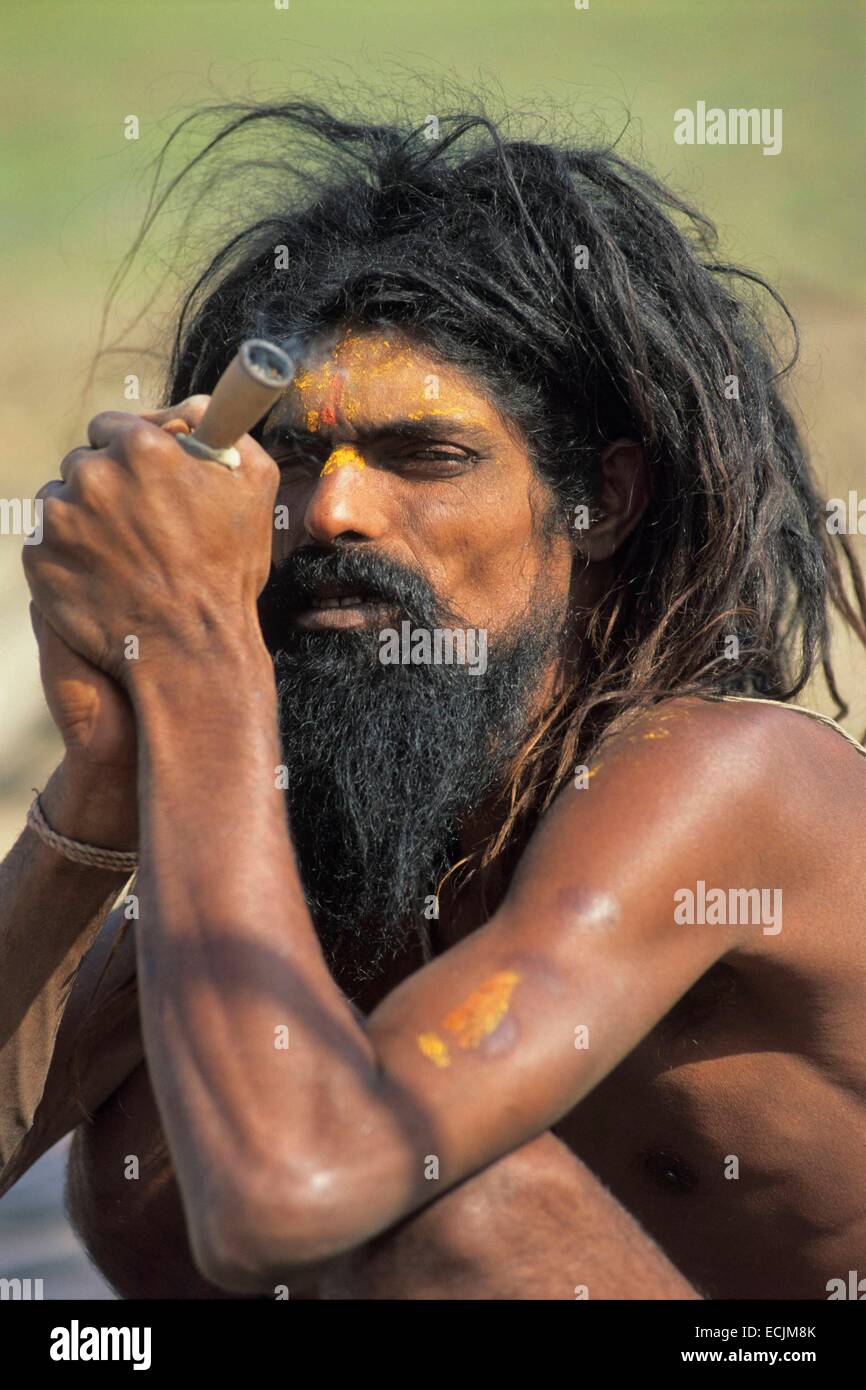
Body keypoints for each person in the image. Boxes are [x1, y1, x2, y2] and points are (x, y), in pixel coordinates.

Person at [1, 104, 864, 1300]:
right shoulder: (328, 823)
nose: (336, 514)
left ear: (601, 504)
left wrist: (199, 658)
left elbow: (284, 1198)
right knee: (165, 1105)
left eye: (424, 456)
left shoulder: (727, 777)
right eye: (293, 461)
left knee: (453, 1207)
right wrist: (105, 766)